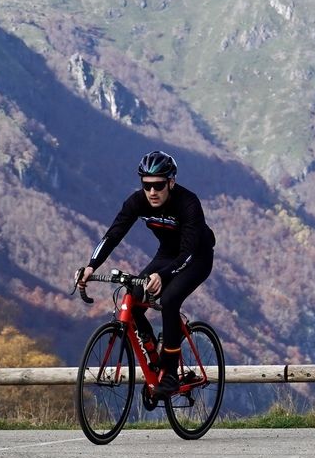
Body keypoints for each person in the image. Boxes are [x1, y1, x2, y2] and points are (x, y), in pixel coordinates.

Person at [75, 150, 216, 400]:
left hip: (196, 257)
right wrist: (91, 266)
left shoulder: (188, 203)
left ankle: (170, 374)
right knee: (134, 296)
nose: (152, 192)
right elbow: (113, 235)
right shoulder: (137, 201)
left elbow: (187, 252)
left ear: (171, 182)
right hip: (167, 254)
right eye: (146, 185)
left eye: (159, 185)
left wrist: (163, 275)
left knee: (170, 299)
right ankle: (156, 358)